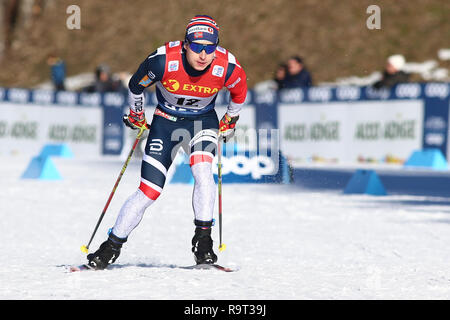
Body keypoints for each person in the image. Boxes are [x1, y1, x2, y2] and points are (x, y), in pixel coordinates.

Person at [86, 15, 247, 270]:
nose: (203, 54)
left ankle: (203, 244)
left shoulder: (228, 67)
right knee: (149, 191)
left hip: (202, 122)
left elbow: (239, 92)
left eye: (210, 47)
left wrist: (231, 118)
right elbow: (135, 85)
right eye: (197, 47)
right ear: (186, 44)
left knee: (202, 171)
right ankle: (110, 248)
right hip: (165, 122)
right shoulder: (164, 60)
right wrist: (137, 115)